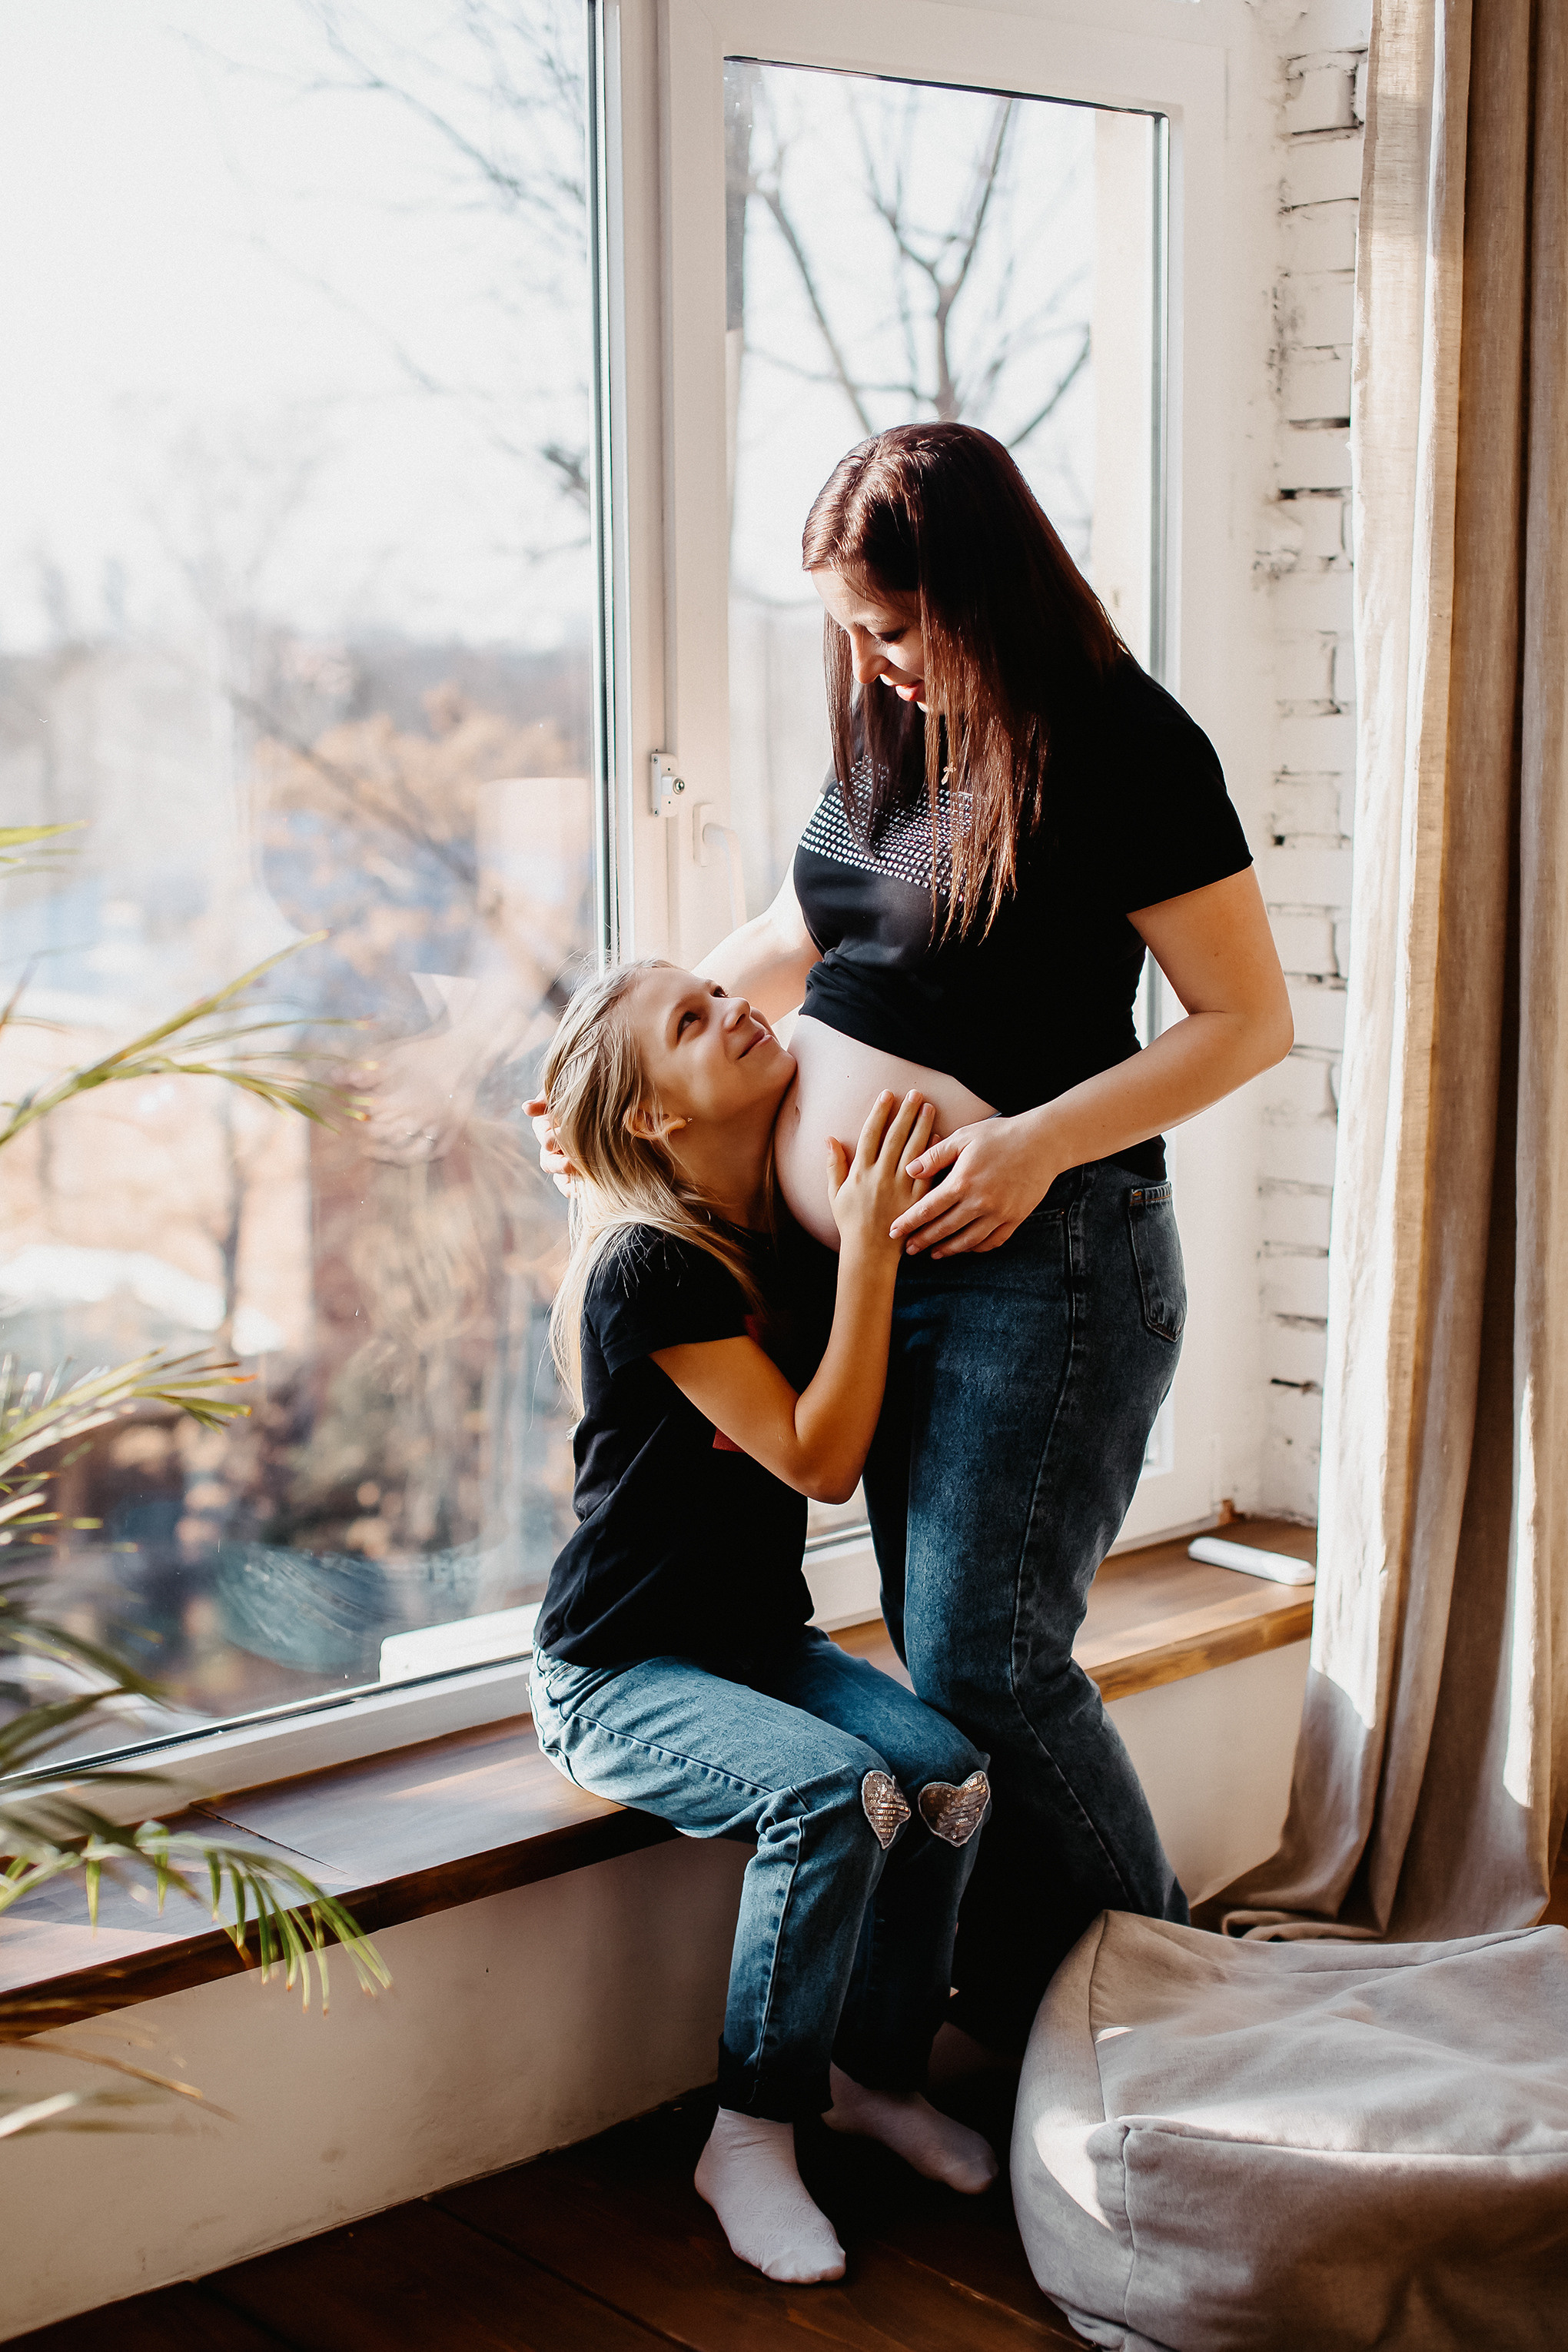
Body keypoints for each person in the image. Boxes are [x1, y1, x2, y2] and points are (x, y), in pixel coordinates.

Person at [533, 420, 1294, 2059]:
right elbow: (794, 942)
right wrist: (593, 1085)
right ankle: (1038, 2015)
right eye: (847, 635)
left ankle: (1162, 2023)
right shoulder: (896, 738)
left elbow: (1246, 1024)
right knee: (957, 1680)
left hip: (1051, 1261)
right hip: (883, 1284)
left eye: (890, 625)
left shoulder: (1122, 743)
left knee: (986, 1665)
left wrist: (1026, 1146)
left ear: (985, 591)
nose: (870, 664)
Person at [527, 956, 998, 2287]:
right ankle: (749, 2129)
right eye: (690, 1021)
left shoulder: (770, 1227)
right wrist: (873, 1251)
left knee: (948, 1775)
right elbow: (817, 1458)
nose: (736, 1008)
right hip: (618, 1671)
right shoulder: (647, 1268)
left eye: (716, 989)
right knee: (840, 1793)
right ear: (656, 1123)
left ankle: (874, 2077)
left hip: (750, 1644)